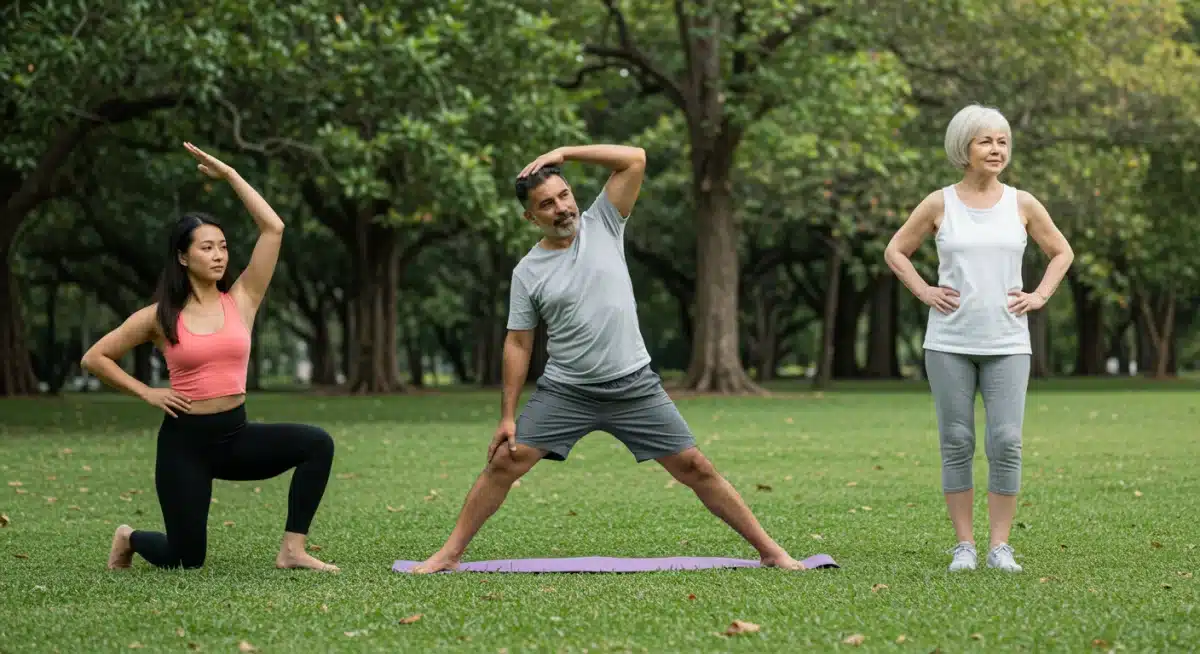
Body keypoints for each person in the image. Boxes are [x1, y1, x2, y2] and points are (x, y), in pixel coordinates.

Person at [410, 144, 809, 573]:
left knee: (695, 466)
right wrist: (507, 415)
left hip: (634, 385)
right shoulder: (528, 271)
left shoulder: (603, 222)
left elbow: (634, 158)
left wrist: (564, 152)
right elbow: (518, 343)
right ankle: (449, 554)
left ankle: (771, 551)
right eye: (546, 204)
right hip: (567, 391)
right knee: (504, 462)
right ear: (531, 217)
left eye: (564, 195)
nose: (561, 208)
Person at [81, 143, 338, 573]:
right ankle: (129, 537)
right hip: (185, 446)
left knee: (317, 444)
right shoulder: (159, 317)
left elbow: (273, 228)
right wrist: (147, 392)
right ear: (183, 257)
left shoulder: (242, 299)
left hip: (235, 437)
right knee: (187, 558)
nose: (219, 255)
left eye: (222, 247)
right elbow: (96, 357)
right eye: (206, 248)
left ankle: (292, 550)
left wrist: (232, 175)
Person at [883, 105, 1074, 573]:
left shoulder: (1022, 203)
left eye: (1003, 141)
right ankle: (964, 546)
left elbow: (1061, 251)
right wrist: (925, 290)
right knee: (957, 440)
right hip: (949, 340)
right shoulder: (939, 203)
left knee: (1007, 441)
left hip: (1008, 341)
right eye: (986, 141)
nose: (996, 149)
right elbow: (895, 250)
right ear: (963, 148)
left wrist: (1041, 294)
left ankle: (999, 547)